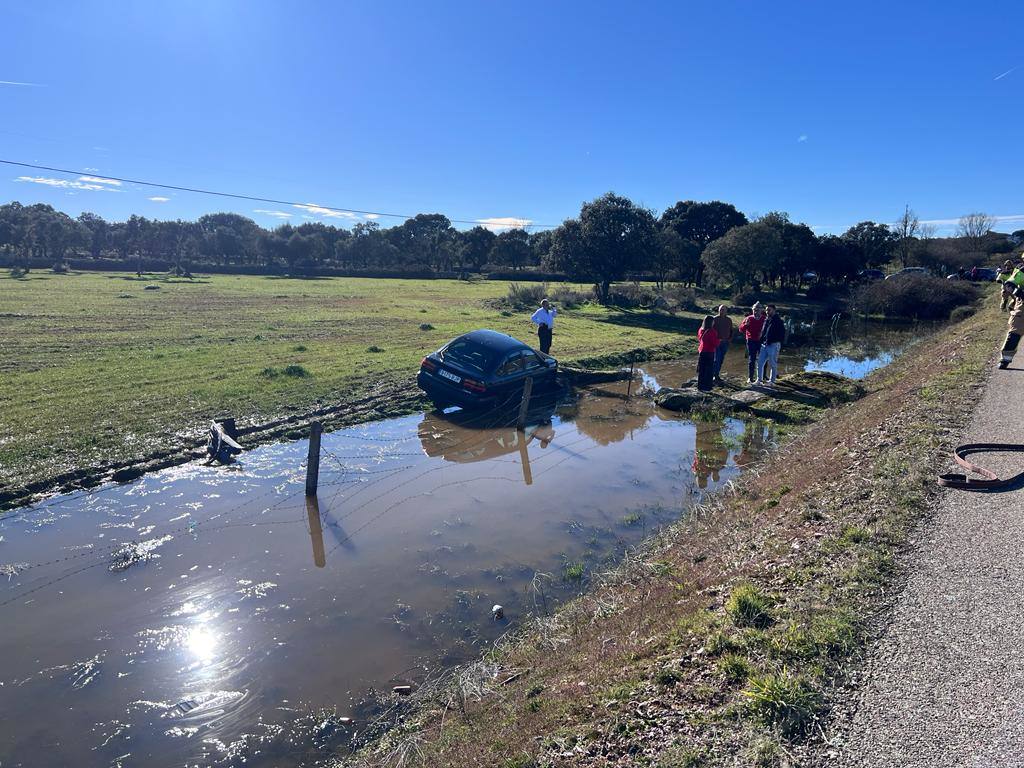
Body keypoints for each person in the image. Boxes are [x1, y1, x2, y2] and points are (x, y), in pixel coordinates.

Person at [754, 304, 785, 387]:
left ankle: (772, 381)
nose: (767, 312)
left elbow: (782, 335)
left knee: (773, 363)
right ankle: (759, 380)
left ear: (774, 310)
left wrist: (774, 341)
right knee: (760, 363)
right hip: (764, 345)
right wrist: (761, 340)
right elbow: (763, 332)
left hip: (773, 345)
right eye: (767, 310)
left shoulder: (778, 321)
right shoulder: (766, 319)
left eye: (769, 310)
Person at [738, 302, 766, 384]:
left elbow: (769, 330)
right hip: (751, 340)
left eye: (758, 309)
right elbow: (741, 329)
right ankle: (750, 377)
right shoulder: (748, 318)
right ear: (752, 310)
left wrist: (763, 334)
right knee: (752, 359)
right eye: (754, 310)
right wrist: (746, 325)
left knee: (763, 359)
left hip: (761, 341)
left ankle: (762, 376)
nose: (756, 311)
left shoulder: (764, 318)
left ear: (761, 310)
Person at [999, 277, 1024, 369]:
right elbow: (1008, 288)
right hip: (1020, 314)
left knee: (1013, 337)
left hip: (1020, 314)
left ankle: (1004, 361)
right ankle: (1004, 361)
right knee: (1013, 337)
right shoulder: (1020, 272)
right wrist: (1009, 286)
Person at [696, 315, 719, 391]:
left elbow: (699, 338)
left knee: (701, 369)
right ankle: (708, 387)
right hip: (709, 352)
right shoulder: (712, 331)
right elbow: (715, 344)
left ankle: (700, 386)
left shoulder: (701, 329)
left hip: (702, 351)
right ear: (711, 322)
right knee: (709, 370)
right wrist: (719, 341)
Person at [711, 304, 734, 383]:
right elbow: (710, 331)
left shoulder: (729, 320)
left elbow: (731, 330)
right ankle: (715, 375)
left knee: (721, 359)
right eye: (720, 309)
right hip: (716, 342)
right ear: (718, 310)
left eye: (723, 310)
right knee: (716, 359)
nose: (722, 311)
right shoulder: (714, 319)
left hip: (725, 342)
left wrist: (729, 340)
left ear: (726, 311)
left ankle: (717, 374)